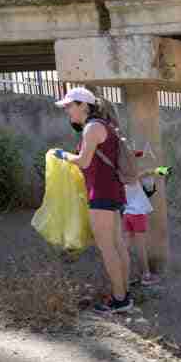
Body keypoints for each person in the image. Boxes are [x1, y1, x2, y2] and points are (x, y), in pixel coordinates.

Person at [51, 87, 131, 314]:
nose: (67, 111)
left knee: (108, 248)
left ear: (83, 105)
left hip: (102, 193)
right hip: (114, 191)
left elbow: (84, 162)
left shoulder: (92, 128)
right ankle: (124, 293)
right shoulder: (105, 125)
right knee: (117, 245)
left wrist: (63, 155)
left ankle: (119, 300)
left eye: (69, 106)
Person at [122, 157, 171, 286]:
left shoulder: (119, 178)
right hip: (138, 214)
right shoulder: (134, 176)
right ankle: (146, 275)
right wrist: (163, 170)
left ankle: (123, 275)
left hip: (127, 214)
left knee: (125, 247)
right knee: (140, 247)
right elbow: (149, 172)